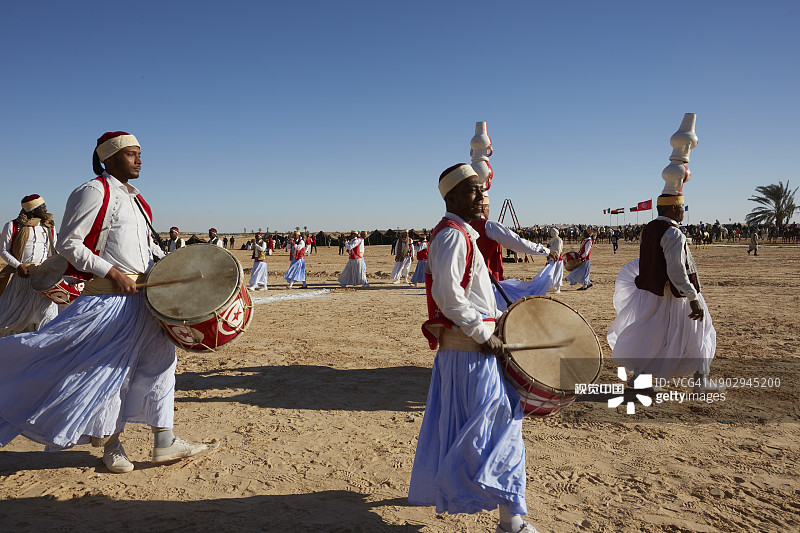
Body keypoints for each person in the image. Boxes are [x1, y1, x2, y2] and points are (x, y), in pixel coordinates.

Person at [0, 131, 212, 473]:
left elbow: (147, 247)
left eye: (140, 153)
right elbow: (69, 244)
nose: (139, 159)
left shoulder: (138, 200)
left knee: (161, 363)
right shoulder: (92, 191)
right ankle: (112, 443)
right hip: (108, 301)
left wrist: (176, 264)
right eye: (131, 154)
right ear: (109, 159)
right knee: (109, 373)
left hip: (144, 300)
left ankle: (164, 439)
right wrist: (111, 271)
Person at [409, 163, 539, 533]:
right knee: (500, 428)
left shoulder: (462, 233)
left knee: (480, 429)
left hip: (468, 350)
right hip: (471, 352)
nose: (481, 197)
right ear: (450, 197)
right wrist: (484, 336)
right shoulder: (451, 235)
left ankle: (506, 516)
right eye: (471, 191)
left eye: (482, 190)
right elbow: (449, 297)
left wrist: (500, 318)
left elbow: (471, 296)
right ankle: (511, 523)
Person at [608, 113, 722, 393]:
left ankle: (642, 381)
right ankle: (700, 383)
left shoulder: (650, 228)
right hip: (677, 295)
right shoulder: (672, 232)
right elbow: (676, 269)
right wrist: (693, 297)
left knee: (657, 338)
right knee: (700, 331)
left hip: (660, 295)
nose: (684, 211)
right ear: (674, 209)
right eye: (682, 207)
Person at [469, 193, 557, 309]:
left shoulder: (464, 226)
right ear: (483, 208)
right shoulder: (489, 226)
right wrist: (545, 250)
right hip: (488, 286)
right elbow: (517, 243)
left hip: (468, 288)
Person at [0, 194, 59, 337]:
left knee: (49, 316)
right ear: (32, 210)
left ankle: (45, 346)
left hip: (43, 278)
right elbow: (3, 251)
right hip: (21, 277)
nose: (45, 209)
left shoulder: (48, 226)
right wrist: (18, 265)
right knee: (11, 317)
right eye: (42, 207)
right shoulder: (13, 226)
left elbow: (52, 251)